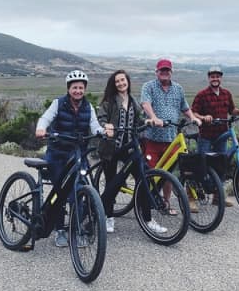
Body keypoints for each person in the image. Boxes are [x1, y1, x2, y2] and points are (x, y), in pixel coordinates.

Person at [35, 70, 105, 247]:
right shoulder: (58, 103)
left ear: (84, 89)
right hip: (58, 154)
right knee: (60, 192)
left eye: (81, 88)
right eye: (74, 87)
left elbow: (94, 125)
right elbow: (45, 118)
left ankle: (76, 229)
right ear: (68, 89)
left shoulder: (88, 107)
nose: (78, 91)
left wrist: (102, 132)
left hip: (77, 155)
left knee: (79, 192)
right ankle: (60, 230)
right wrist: (41, 129)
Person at [97, 69, 167, 234]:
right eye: (117, 81)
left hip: (128, 148)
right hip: (110, 148)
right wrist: (106, 126)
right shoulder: (109, 101)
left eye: (123, 80)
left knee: (144, 179)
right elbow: (101, 118)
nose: (121, 83)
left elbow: (138, 121)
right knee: (111, 182)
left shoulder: (134, 102)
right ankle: (108, 216)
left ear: (127, 81)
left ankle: (148, 219)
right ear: (114, 85)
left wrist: (149, 121)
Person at [140, 59, 201, 214]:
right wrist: (153, 117)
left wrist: (193, 118)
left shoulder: (178, 89)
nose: (164, 73)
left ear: (171, 72)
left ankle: (166, 203)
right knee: (151, 172)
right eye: (162, 70)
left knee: (168, 174)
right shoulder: (149, 86)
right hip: (152, 137)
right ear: (157, 72)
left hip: (171, 138)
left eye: (167, 70)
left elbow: (184, 107)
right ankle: (145, 202)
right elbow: (145, 103)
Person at [191, 66, 239, 207]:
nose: (215, 79)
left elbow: (232, 110)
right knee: (201, 165)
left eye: (217, 76)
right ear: (209, 78)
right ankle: (190, 196)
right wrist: (204, 117)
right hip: (205, 135)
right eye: (212, 76)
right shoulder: (202, 94)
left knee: (221, 166)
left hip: (222, 135)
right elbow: (193, 112)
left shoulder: (226, 94)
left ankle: (217, 198)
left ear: (221, 78)